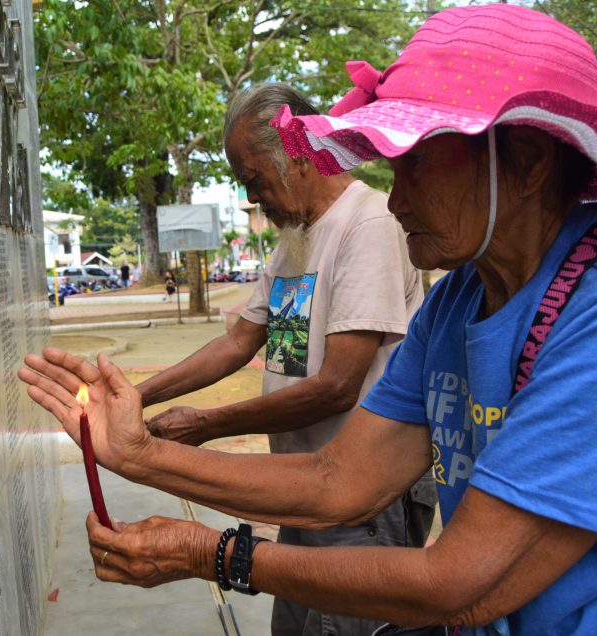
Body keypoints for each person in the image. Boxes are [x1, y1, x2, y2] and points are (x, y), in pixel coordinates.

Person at [19, 5, 597, 634]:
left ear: (529, 160)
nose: (397, 199)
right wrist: (135, 452)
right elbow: (339, 478)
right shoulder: (456, 300)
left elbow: (456, 585)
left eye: (418, 163)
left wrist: (210, 552)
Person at [136, 84, 433, 635]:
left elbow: (338, 385)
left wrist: (206, 425)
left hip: (364, 496)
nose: (252, 198)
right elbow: (238, 342)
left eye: (252, 179)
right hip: (307, 488)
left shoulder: (367, 224)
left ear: (296, 156)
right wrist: (136, 396)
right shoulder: (295, 238)